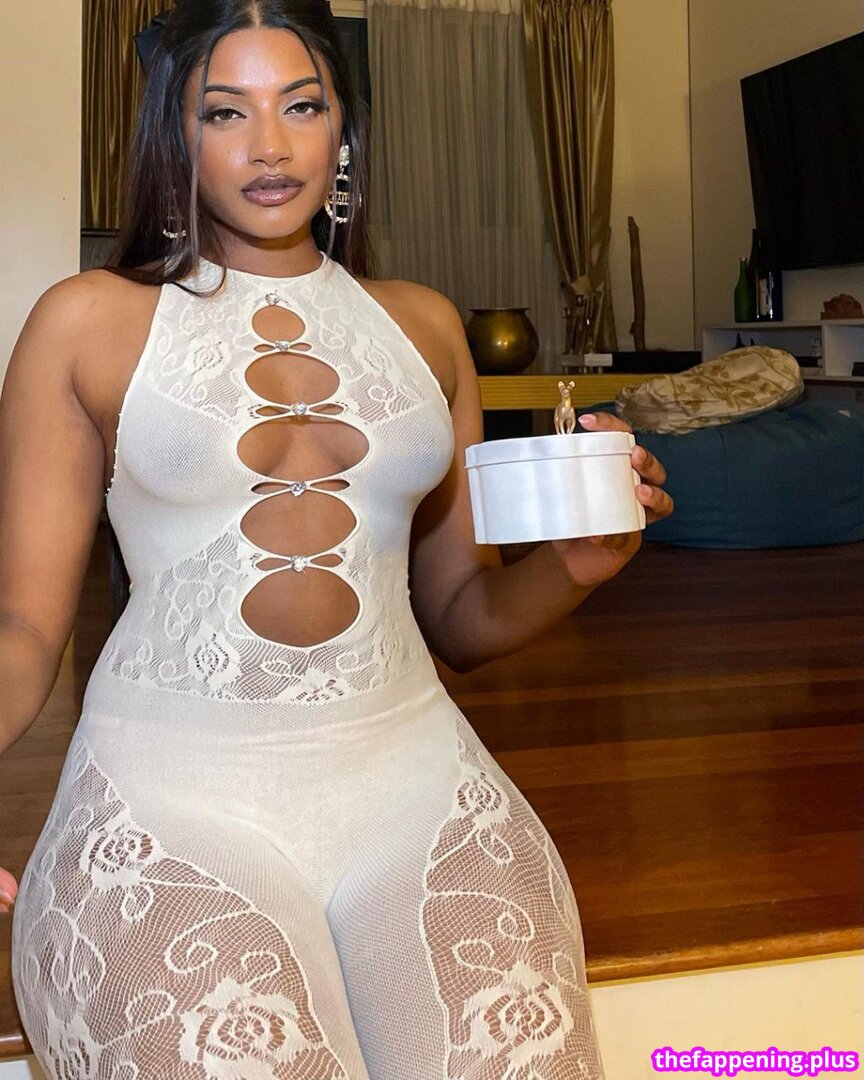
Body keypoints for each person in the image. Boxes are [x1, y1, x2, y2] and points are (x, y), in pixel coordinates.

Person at [0, 2, 672, 1076]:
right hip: (170, 797)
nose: (270, 145)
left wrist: (579, 564)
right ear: (177, 137)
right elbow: (26, 628)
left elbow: (462, 615)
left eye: (302, 106)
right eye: (227, 112)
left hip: (418, 786)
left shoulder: (426, 326)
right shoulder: (86, 321)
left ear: (342, 131)